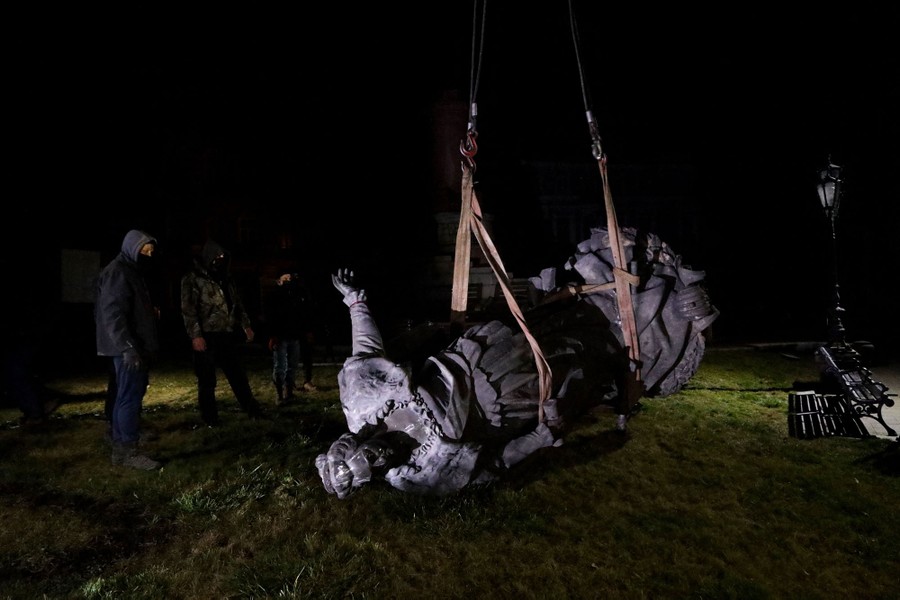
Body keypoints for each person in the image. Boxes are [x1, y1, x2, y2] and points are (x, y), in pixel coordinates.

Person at [316, 227, 719, 498]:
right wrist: (541, 437)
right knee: (593, 358)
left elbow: (366, 351)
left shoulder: (363, 404)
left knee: (569, 318)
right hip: (520, 398)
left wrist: (355, 300)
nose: (382, 456)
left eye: (369, 452)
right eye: (374, 467)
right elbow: (493, 465)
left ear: (356, 441)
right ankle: (671, 323)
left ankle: (642, 285)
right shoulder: (423, 476)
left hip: (484, 349)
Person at [95, 229, 161, 470]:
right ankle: (127, 451)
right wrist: (128, 347)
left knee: (126, 395)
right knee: (129, 397)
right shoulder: (118, 271)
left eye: (152, 251)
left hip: (132, 346)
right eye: (145, 251)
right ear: (132, 248)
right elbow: (113, 314)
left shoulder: (129, 270)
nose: (149, 255)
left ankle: (121, 441)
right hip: (129, 348)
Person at [180, 239, 265, 426]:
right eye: (217, 256)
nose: (219, 259)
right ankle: (210, 418)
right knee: (207, 381)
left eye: (222, 257)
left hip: (226, 334)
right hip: (206, 335)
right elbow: (188, 310)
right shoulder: (193, 279)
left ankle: (253, 410)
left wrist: (246, 325)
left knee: (238, 375)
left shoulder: (226, 278)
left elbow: (237, 303)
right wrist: (196, 336)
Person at [264, 270, 318, 404]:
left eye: (290, 278)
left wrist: (306, 331)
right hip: (281, 337)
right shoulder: (274, 296)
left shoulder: (296, 294)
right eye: (285, 278)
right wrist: (272, 335)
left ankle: (288, 392)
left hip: (294, 336)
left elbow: (303, 314)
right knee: (280, 366)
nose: (289, 280)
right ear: (279, 281)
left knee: (292, 366)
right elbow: (270, 317)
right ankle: (279, 395)